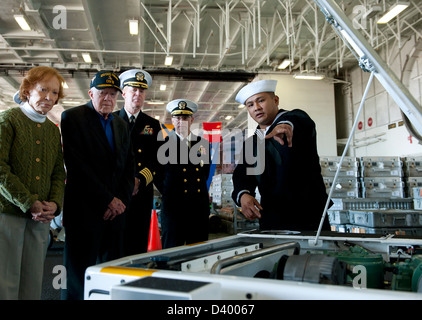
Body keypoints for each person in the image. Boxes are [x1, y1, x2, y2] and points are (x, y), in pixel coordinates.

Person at [60, 71, 134, 300]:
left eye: (113, 95)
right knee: (76, 278)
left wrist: (120, 202)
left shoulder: (121, 124)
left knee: (109, 276)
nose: (108, 99)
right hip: (84, 212)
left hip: (115, 215)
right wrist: (107, 200)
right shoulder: (72, 117)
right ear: (91, 93)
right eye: (103, 93)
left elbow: (128, 166)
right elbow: (77, 166)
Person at [0, 66, 66, 299]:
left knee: (32, 282)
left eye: (55, 92)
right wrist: (29, 202)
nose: (49, 97)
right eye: (43, 90)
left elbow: (58, 173)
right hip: (9, 215)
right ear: (28, 90)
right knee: (5, 283)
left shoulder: (51, 131)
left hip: (41, 219)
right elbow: (0, 169)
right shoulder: (8, 120)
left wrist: (55, 205)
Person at [231, 79, 330, 231]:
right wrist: (243, 195)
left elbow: (299, 120)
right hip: (272, 219)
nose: (256, 107)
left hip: (309, 217)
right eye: (250, 105)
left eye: (261, 100)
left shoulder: (295, 121)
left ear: (275, 100)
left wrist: (285, 125)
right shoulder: (252, 143)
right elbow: (242, 176)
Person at [114, 69, 162, 255]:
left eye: (142, 91)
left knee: (138, 246)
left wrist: (139, 180)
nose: (138, 94)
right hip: (116, 192)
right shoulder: (112, 120)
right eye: (133, 89)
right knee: (115, 245)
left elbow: (157, 160)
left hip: (141, 193)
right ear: (123, 93)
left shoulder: (152, 125)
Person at [155, 99, 211, 249]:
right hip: (174, 207)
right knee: (172, 251)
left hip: (198, 207)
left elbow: (204, 172)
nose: (181, 122)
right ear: (172, 120)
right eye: (177, 118)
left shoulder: (202, 144)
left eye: (185, 118)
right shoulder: (163, 144)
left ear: (192, 120)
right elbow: (158, 176)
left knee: (197, 252)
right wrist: (169, 190)